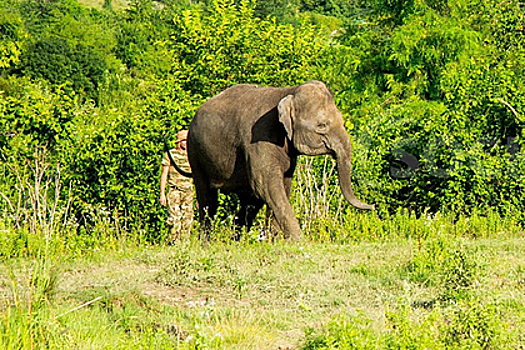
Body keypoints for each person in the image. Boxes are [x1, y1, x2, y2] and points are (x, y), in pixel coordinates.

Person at [160, 130, 193, 242]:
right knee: (174, 220)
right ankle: (173, 243)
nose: (186, 143)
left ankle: (185, 244)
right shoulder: (171, 154)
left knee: (187, 220)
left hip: (188, 191)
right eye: (184, 140)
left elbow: (197, 178)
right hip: (174, 190)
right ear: (179, 142)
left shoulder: (192, 155)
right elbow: (164, 174)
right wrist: (162, 194)